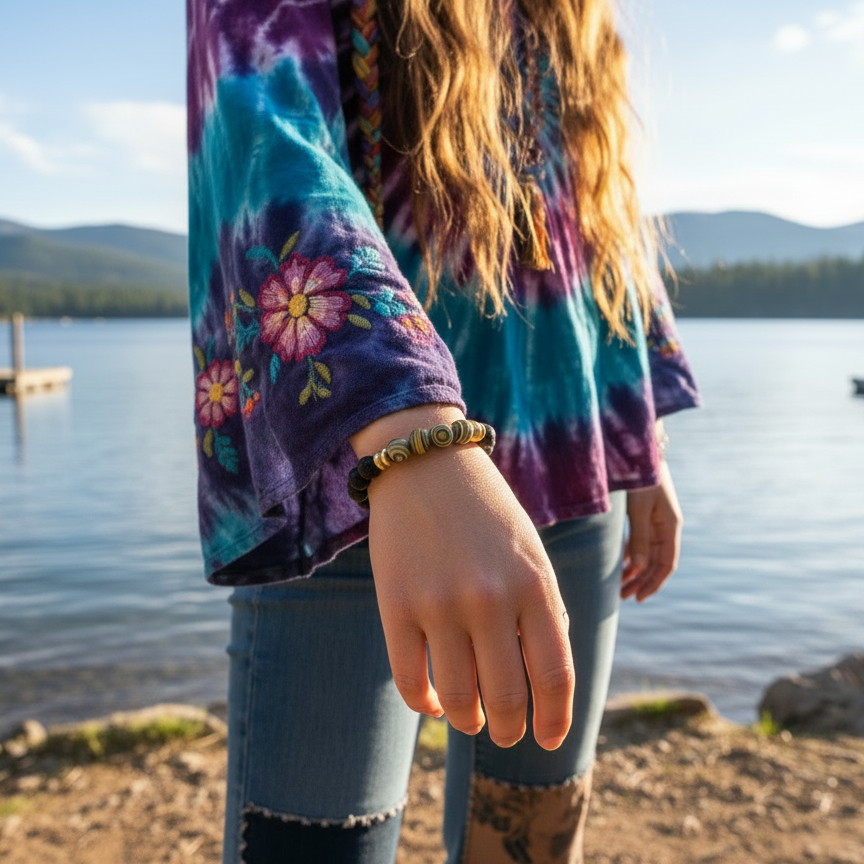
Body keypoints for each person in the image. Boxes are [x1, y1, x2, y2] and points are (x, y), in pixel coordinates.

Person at [187, 0, 700, 861]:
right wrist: (408, 431)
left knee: (529, 844)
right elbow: (262, 127)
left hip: (570, 468)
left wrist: (634, 431)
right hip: (361, 475)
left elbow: (590, 209)